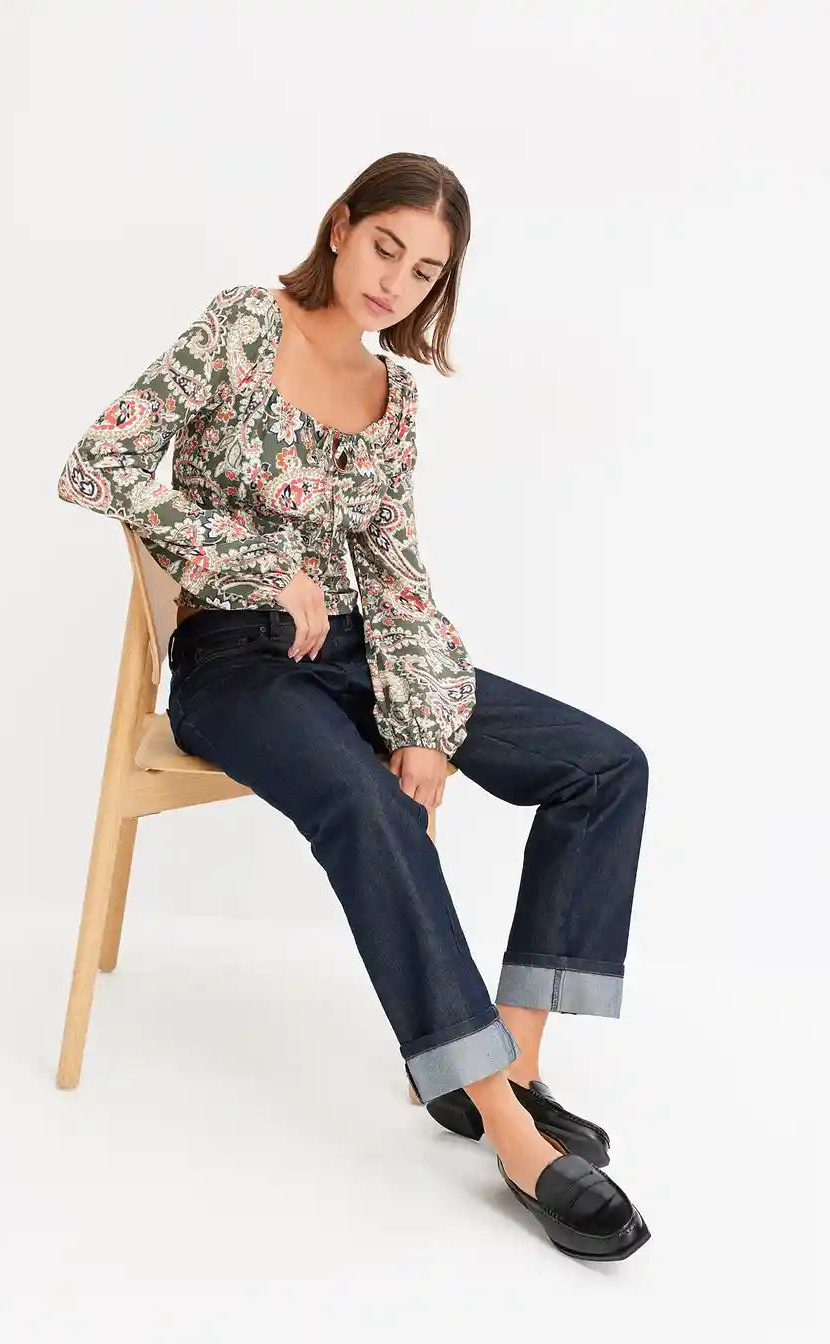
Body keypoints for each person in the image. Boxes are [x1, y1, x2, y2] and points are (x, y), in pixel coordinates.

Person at [57, 151, 651, 1261]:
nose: (395, 282)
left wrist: (422, 724)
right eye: (386, 247)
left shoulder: (395, 399)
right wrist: (260, 565)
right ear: (340, 226)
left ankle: (510, 1062)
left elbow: (396, 576)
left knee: (604, 766)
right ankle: (510, 1132)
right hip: (235, 663)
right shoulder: (243, 325)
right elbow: (100, 462)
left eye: (425, 272)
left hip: (359, 652)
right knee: (369, 809)